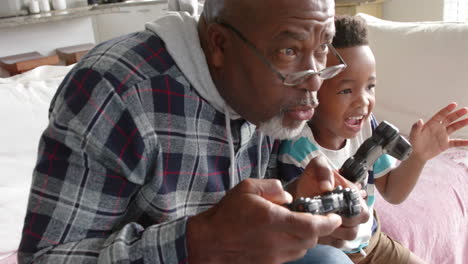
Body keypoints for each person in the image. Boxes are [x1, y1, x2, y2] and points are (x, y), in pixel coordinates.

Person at [17, 1, 371, 263]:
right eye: (289, 51)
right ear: (219, 45)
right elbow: (47, 258)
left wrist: (294, 203)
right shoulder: (116, 90)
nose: (313, 81)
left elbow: (250, 213)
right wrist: (198, 241)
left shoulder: (267, 94)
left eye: (323, 46)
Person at [278, 15, 468, 264]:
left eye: (370, 87)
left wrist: (419, 158)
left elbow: (392, 192)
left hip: (374, 243)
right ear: (313, 90)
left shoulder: (369, 128)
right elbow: (298, 228)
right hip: (333, 252)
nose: (363, 101)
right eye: (346, 90)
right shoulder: (299, 148)